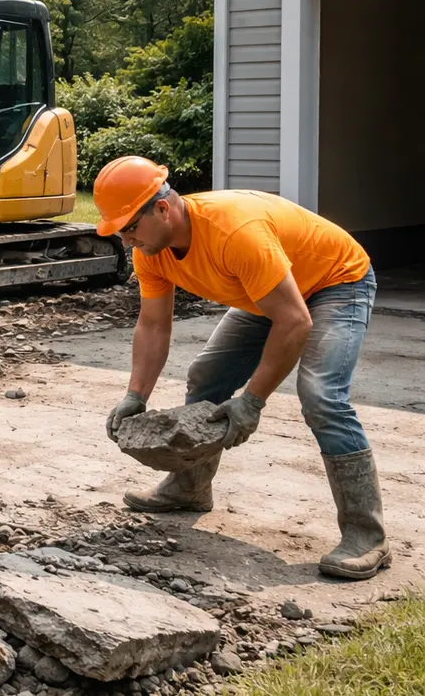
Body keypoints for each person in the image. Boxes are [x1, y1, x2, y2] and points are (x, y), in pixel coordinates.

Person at [94, 155, 389, 581]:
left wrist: (252, 401)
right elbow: (153, 325)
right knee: (207, 376)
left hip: (335, 281)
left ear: (162, 208)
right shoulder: (152, 250)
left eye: (130, 228)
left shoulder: (234, 232)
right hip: (268, 292)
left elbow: (294, 322)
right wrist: (135, 395)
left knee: (322, 396)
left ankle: (368, 535)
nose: (126, 240)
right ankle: (190, 487)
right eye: (120, 231)